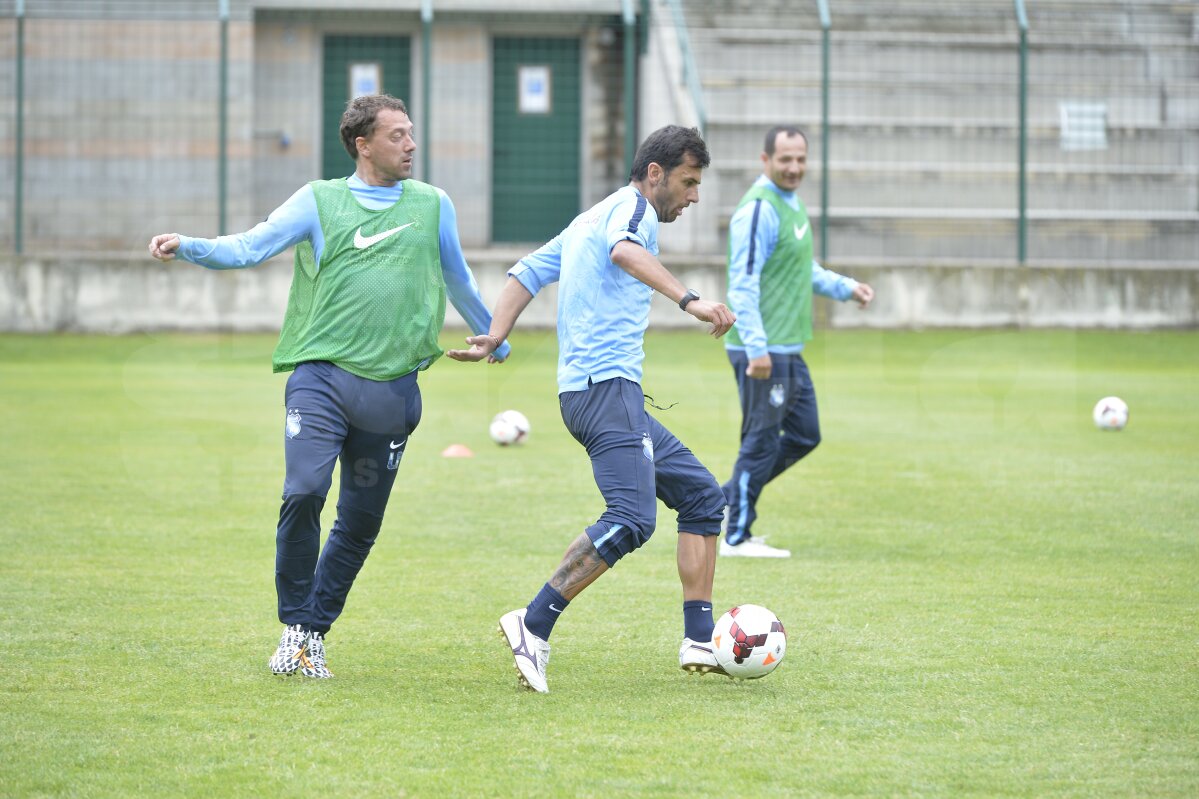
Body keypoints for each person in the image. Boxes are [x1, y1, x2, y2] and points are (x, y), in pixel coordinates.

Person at [148, 94, 511, 678]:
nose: (411, 145)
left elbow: (457, 276)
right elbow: (250, 246)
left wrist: (495, 336)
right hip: (321, 382)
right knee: (304, 490)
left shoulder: (433, 204)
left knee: (360, 522)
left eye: (411, 133)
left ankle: (312, 634)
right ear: (363, 145)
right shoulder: (319, 200)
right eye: (396, 136)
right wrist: (189, 245)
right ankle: (295, 624)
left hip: (391, 394)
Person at [447, 125, 736, 693]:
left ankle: (700, 639)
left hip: (596, 393)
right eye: (688, 182)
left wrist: (495, 334)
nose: (694, 196)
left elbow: (527, 271)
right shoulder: (633, 213)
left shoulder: (591, 216)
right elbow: (624, 251)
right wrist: (692, 301)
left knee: (703, 497)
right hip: (605, 390)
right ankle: (533, 623)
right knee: (632, 518)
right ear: (655, 173)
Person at [720, 125, 874, 558]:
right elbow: (743, 282)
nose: (794, 167)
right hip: (762, 349)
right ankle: (735, 536)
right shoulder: (758, 210)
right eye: (785, 159)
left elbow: (801, 269)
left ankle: (726, 497)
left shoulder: (792, 203)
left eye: (801, 159)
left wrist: (846, 287)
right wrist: (756, 347)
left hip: (787, 346)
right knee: (761, 440)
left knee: (806, 434)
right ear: (765, 160)